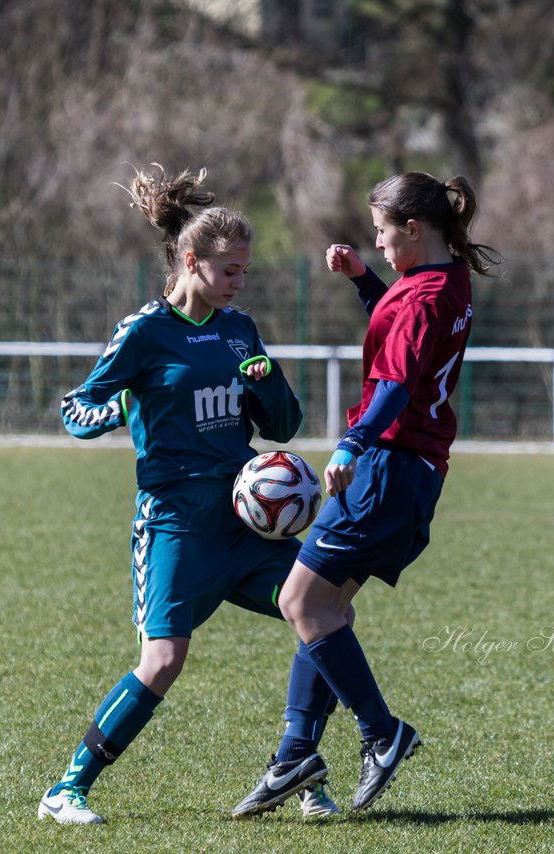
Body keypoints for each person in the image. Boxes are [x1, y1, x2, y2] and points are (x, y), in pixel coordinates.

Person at [38, 165, 341, 825]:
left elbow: (283, 426)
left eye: (246, 273)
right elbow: (76, 405)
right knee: (163, 660)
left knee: (322, 614)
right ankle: (67, 789)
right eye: (230, 271)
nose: (239, 283)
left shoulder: (239, 331)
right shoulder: (146, 333)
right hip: (175, 525)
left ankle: (300, 768)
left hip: (244, 524)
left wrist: (266, 380)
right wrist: (114, 412)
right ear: (192, 263)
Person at [232, 172, 499, 817]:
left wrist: (350, 446)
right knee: (325, 610)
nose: (376, 243)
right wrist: (361, 280)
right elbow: (405, 321)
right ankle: (296, 751)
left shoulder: (421, 297)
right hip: (417, 471)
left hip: (385, 467)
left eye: (381, 233)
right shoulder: (448, 277)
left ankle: (382, 733)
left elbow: (395, 385)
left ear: (414, 228)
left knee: (300, 600)